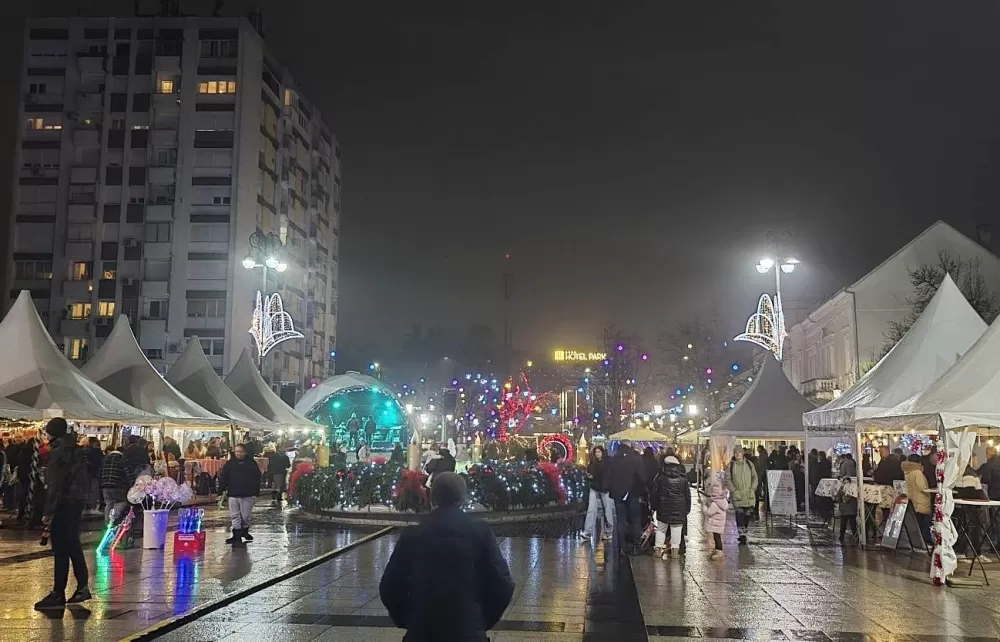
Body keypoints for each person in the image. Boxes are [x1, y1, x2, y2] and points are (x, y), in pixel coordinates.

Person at [380, 472, 514, 641]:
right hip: (468, 633)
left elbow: (389, 585)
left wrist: (409, 619)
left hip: (422, 632)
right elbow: (502, 584)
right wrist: (479, 621)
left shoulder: (414, 534)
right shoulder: (480, 533)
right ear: (462, 498)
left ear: (432, 497)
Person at [33, 418, 91, 609]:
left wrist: (48, 512)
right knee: (72, 543)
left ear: (50, 433)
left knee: (60, 549)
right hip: (76, 502)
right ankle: (82, 586)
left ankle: (58, 592)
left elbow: (55, 485)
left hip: (63, 503)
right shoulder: (75, 450)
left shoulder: (58, 453)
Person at [218, 444, 261, 548]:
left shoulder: (251, 464)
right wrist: (221, 490)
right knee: (235, 515)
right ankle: (236, 534)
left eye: (240, 451)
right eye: (237, 451)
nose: (238, 453)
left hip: (248, 494)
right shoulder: (230, 464)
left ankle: (244, 529)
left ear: (245, 452)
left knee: (245, 516)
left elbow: (257, 478)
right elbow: (224, 477)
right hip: (233, 493)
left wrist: (255, 492)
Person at [650, 454, 690, 559]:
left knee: (661, 529)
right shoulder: (683, 478)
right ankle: (675, 552)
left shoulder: (660, 477)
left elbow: (654, 493)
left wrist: (654, 506)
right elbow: (687, 495)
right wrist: (687, 509)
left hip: (663, 507)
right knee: (676, 529)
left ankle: (658, 549)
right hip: (679, 508)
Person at [608, 441, 644, 556]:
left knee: (620, 521)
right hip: (633, 493)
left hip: (618, 494)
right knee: (635, 519)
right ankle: (636, 545)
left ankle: (622, 546)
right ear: (630, 446)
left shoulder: (614, 459)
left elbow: (609, 476)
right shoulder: (635, 458)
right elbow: (642, 477)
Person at [726, 446, 758, 545]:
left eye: (739, 452)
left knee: (747, 515)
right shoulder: (731, 466)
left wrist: (752, 489)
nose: (738, 454)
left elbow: (754, 477)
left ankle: (745, 530)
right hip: (738, 495)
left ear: (743, 453)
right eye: (736, 452)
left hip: (748, 494)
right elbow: (728, 479)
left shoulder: (749, 464)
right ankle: (741, 534)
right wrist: (734, 491)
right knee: (739, 514)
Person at [582, 445, 614, 542]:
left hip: (604, 489)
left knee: (607, 510)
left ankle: (609, 531)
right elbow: (590, 472)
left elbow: (607, 476)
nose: (597, 454)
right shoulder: (593, 462)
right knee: (591, 510)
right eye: (596, 452)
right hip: (595, 488)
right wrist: (589, 476)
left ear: (602, 452)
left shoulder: (607, 463)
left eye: (599, 452)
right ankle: (587, 532)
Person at [902, 453, 932, 544]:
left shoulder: (907, 472)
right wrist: (930, 490)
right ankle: (925, 541)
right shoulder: (917, 472)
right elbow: (922, 487)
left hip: (913, 499)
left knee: (917, 523)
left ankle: (918, 542)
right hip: (921, 500)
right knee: (925, 523)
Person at [100, 447, 133, 524]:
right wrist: (131, 483)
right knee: (122, 502)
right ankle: (114, 519)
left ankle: (107, 522)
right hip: (118, 485)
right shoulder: (123, 459)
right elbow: (128, 472)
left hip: (105, 486)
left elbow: (100, 472)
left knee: (108, 503)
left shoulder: (105, 459)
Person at [703, 477, 728, 560]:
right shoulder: (723, 501)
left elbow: (709, 512)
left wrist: (704, 507)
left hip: (715, 524)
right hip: (719, 524)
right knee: (717, 537)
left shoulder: (715, 504)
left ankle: (719, 551)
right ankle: (718, 550)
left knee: (717, 538)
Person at [838, 453, 859, 544]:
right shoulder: (854, 463)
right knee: (852, 521)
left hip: (844, 508)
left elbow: (841, 473)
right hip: (852, 507)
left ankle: (841, 535)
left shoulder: (845, 464)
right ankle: (855, 534)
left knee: (844, 522)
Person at [82, 437, 104, 516]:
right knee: (94, 491)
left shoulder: (84, 452)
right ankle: (94, 508)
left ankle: (85, 508)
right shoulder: (97, 452)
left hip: (85, 473)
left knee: (86, 491)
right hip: (95, 474)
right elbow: (100, 463)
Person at [755, 444, 769, 516]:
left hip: (763, 472)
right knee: (764, 485)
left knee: (762, 485)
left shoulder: (762, 455)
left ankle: (764, 497)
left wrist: (760, 472)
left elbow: (762, 464)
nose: (757, 450)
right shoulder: (764, 454)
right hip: (764, 472)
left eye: (758, 448)